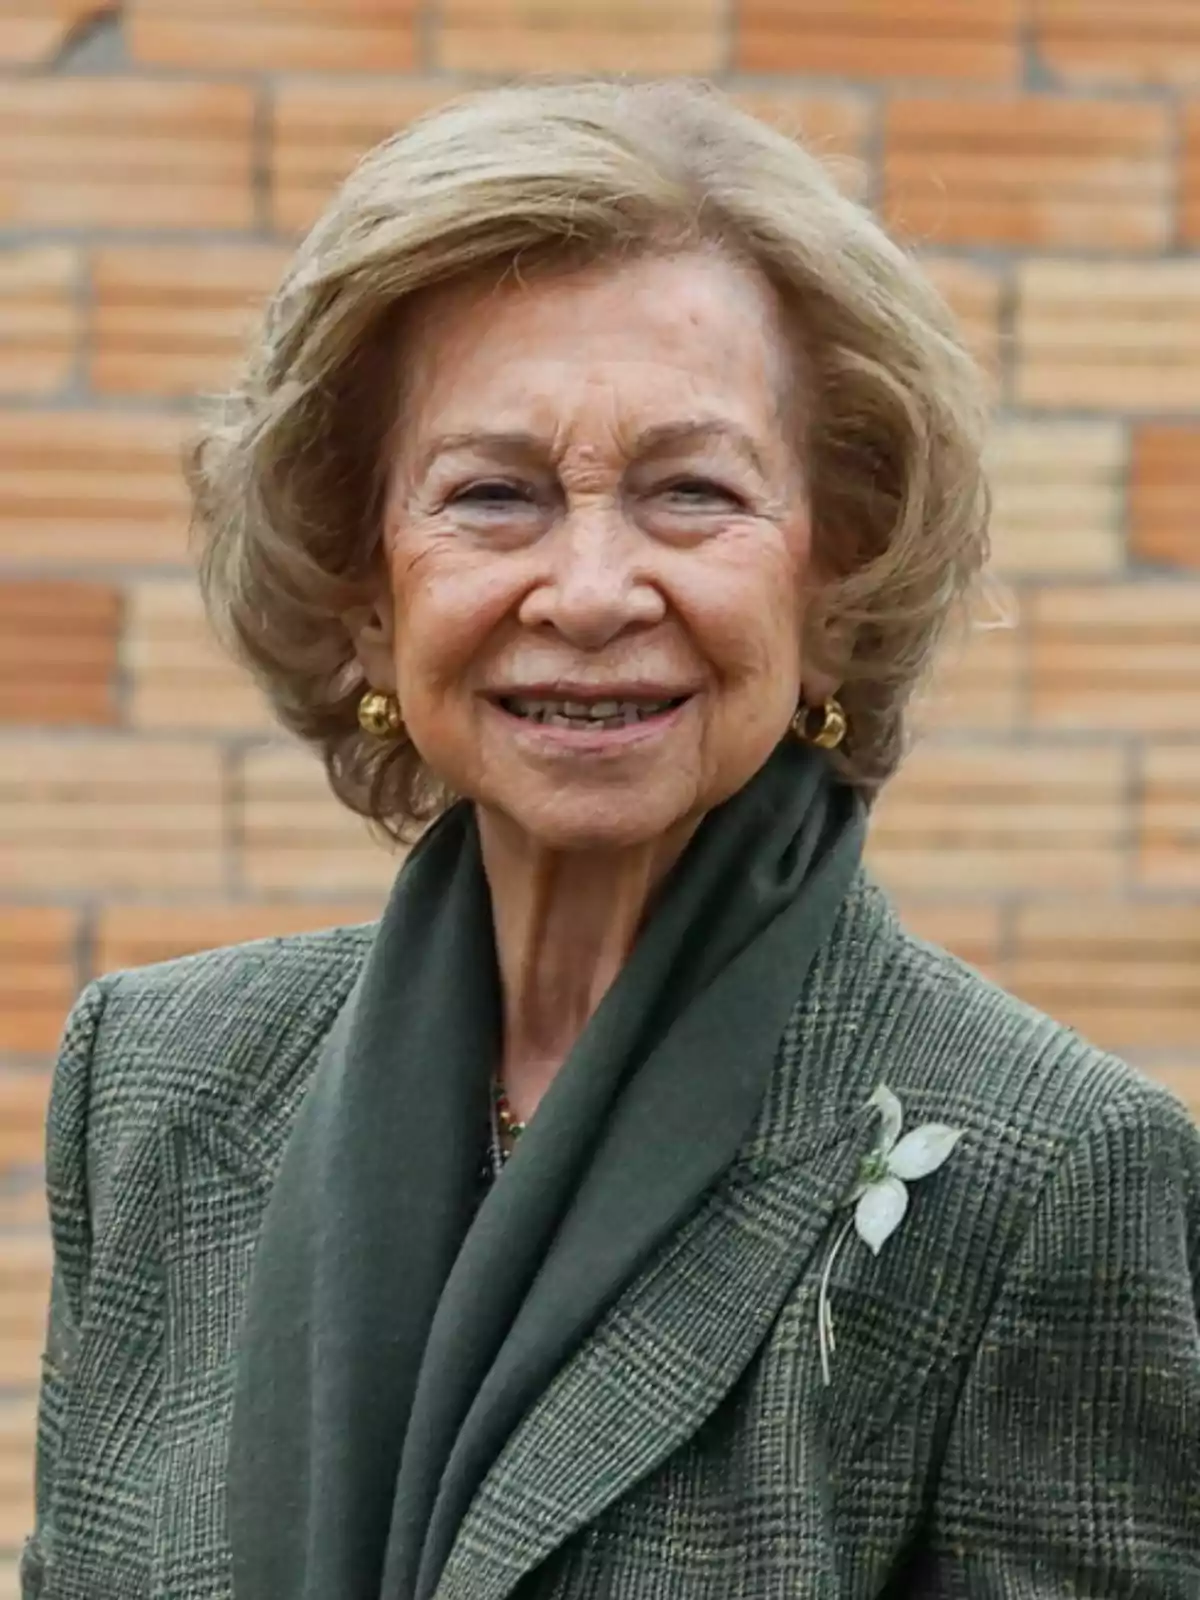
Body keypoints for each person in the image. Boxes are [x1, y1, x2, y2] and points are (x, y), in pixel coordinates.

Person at [24, 77, 1200, 1600]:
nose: (589, 590)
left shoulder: (1053, 1176)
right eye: (495, 496)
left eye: (691, 493)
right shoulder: (156, 1090)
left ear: (833, 585)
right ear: (366, 596)